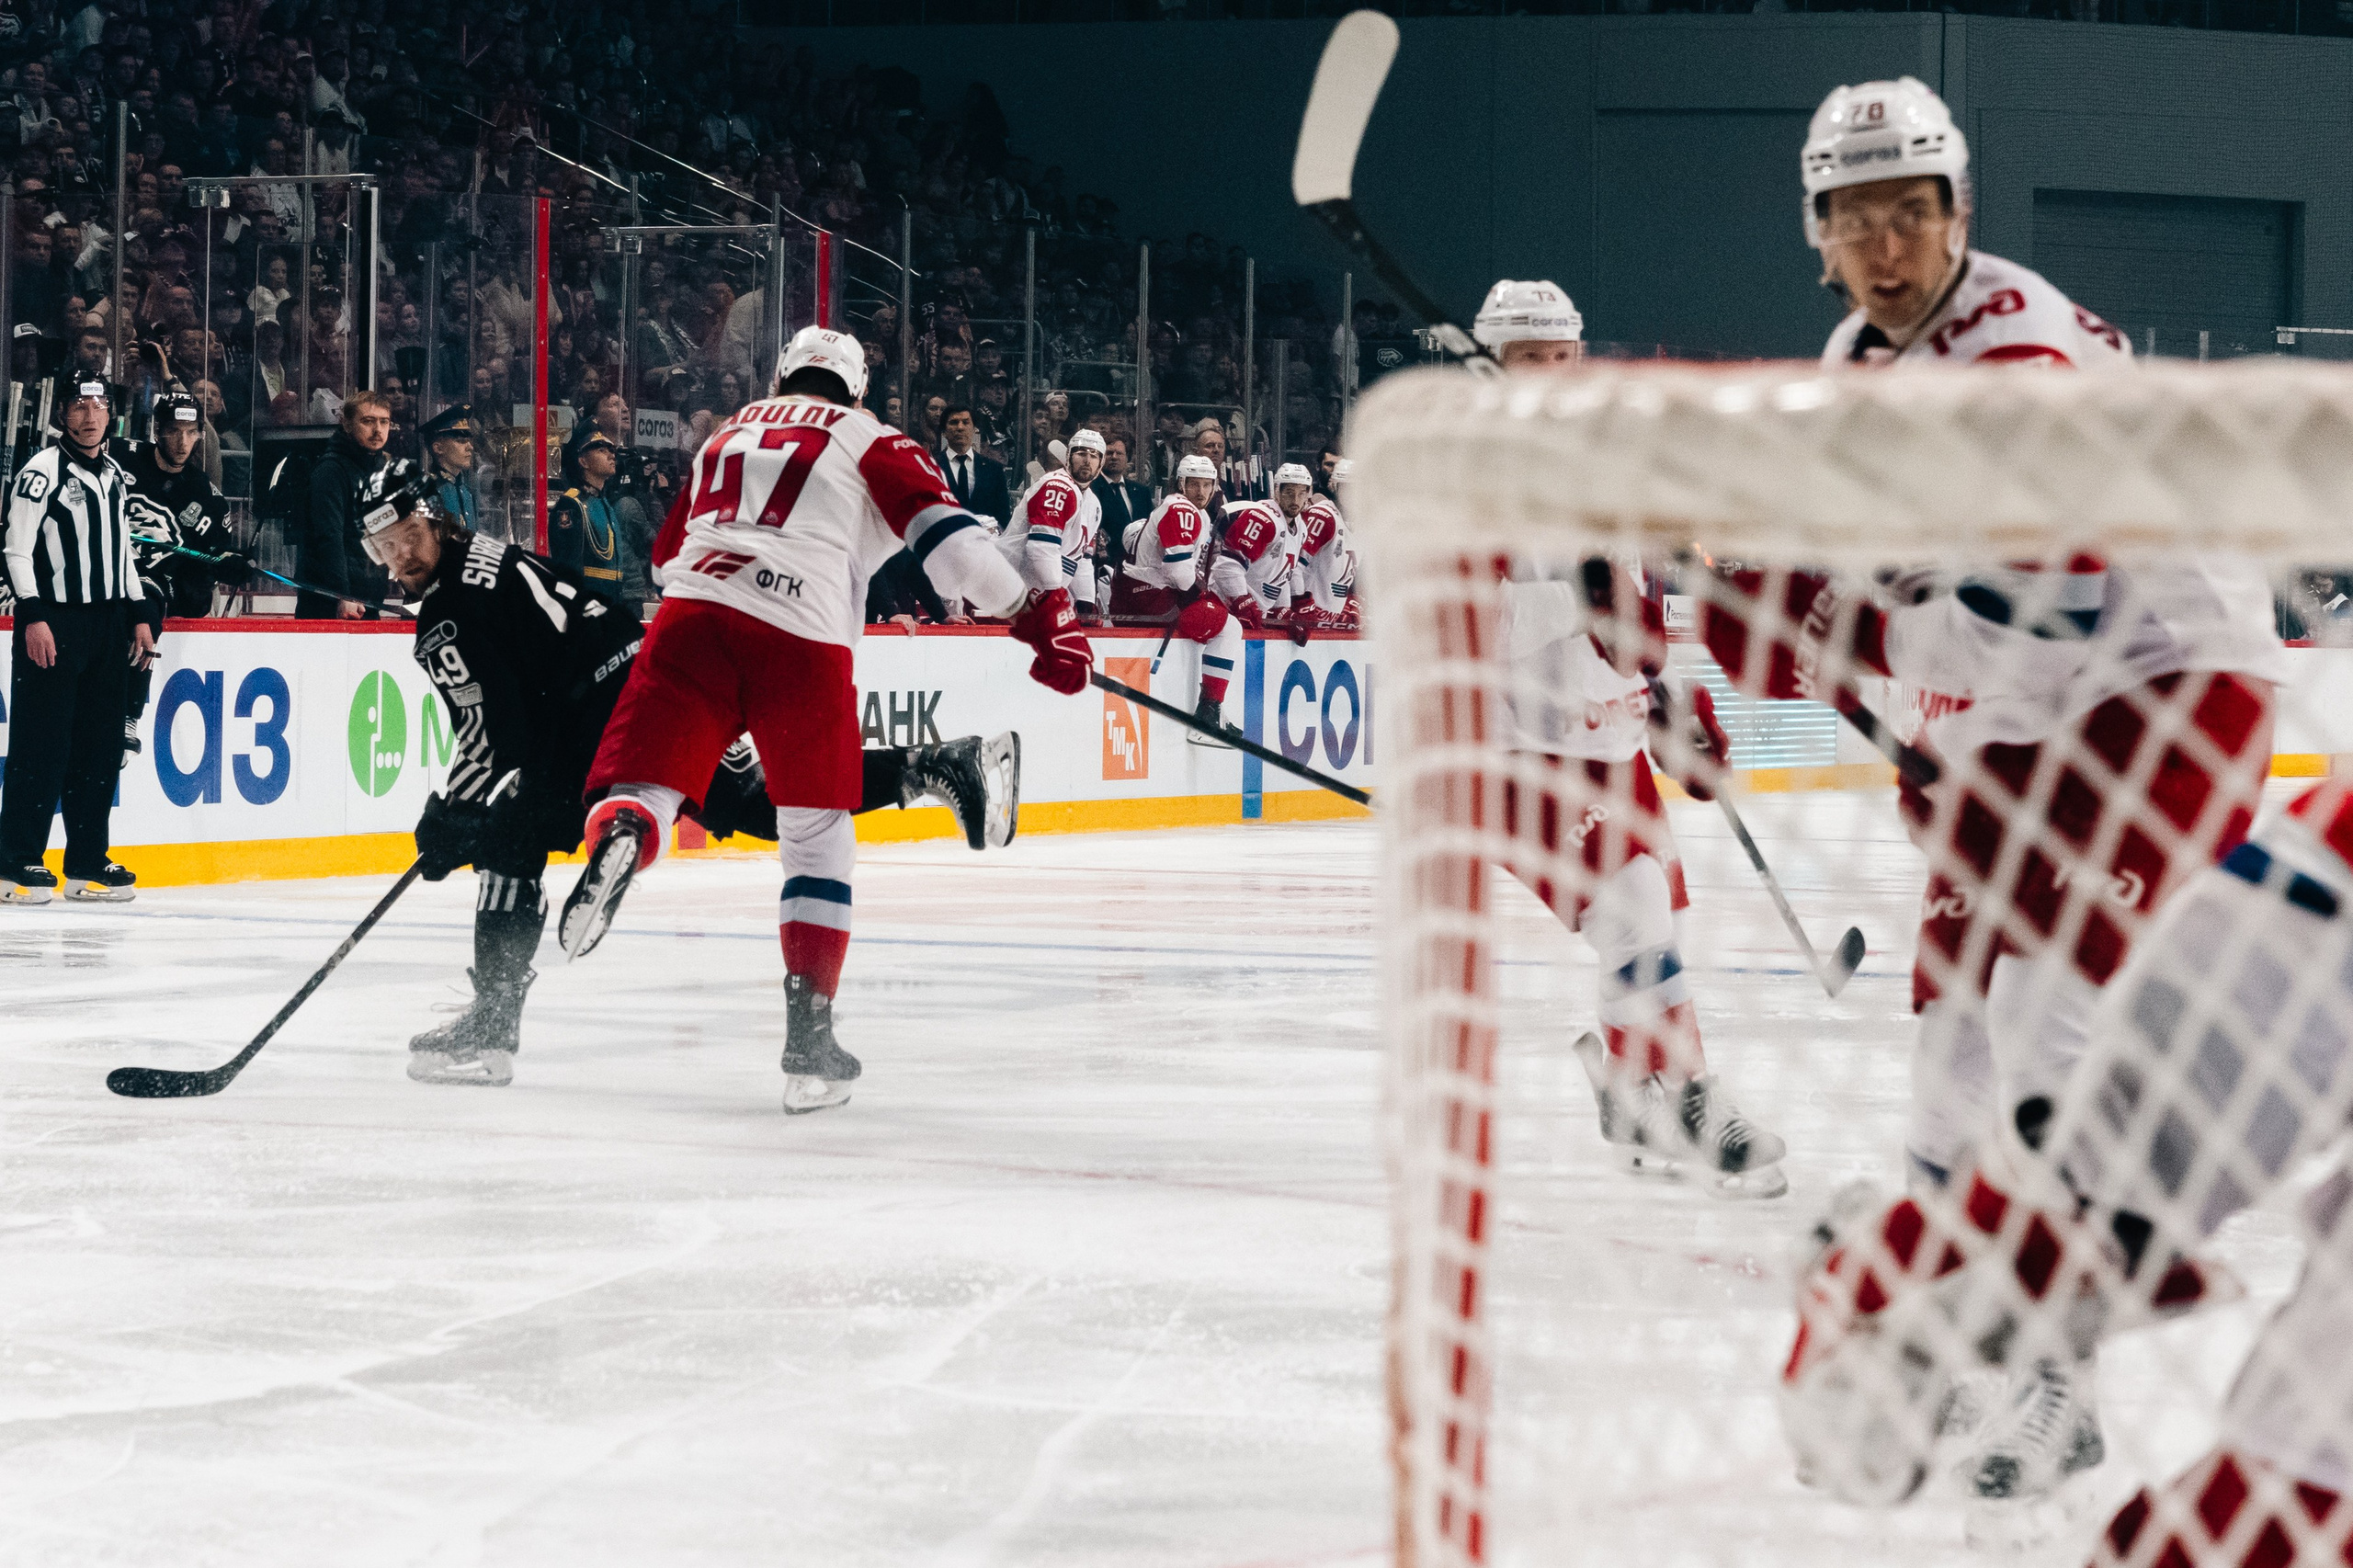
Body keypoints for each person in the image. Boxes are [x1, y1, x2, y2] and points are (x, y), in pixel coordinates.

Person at [1714, 76, 2284, 1510]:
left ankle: (2059, 1384)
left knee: (2046, 1021)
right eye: (1857, 217)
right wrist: (1733, 590)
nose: (1888, 243)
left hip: (2168, 684)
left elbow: (2063, 603)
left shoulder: (2016, 360)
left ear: (1958, 213)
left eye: (1913, 210)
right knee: (1951, 1043)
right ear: (1819, 235)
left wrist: (1829, 628)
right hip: (2029, 716)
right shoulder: (1859, 364)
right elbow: (1858, 581)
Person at [558, 325, 1093, 1114]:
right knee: (815, 831)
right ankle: (809, 1040)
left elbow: (666, 560)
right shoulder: (874, 439)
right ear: (857, 389)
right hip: (800, 633)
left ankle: (628, 833)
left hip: (692, 616)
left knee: (649, 781)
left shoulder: (729, 431)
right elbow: (955, 558)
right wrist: (1032, 615)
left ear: (783, 376)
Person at [361, 484, 1022, 1088]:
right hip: (649, 674)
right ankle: (936, 764)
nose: (399, 559)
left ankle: (495, 1021)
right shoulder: (484, 552)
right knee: (761, 801)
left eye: (407, 538)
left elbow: (489, 730)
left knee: (509, 830)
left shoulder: (447, 614)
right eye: (384, 550)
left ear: (433, 521)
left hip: (587, 719)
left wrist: (451, 815)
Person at [1470, 283, 1784, 1197]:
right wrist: (1578, 600)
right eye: (1532, 358)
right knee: (1637, 915)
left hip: (1609, 746)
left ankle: (1625, 1088)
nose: (1554, 375)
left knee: (1653, 926)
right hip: (1517, 751)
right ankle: (1685, 1095)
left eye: (1563, 355)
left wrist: (1669, 704)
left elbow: (1631, 613)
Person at [1, 376, 148, 904]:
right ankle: (15, 861)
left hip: (107, 627)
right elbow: (15, 550)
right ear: (63, 413)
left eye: (99, 405)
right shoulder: (40, 471)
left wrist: (138, 615)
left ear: (112, 414)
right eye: (79, 406)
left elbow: (123, 549)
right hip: (54, 623)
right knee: (41, 745)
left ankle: (87, 864)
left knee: (99, 748)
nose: (90, 415)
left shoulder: (113, 473)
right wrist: (33, 616)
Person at [123, 390, 244, 761]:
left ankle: (128, 714)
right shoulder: (119, 456)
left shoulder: (206, 496)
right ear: (156, 430)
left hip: (161, 585)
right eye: (174, 431)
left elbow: (210, 562)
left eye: (191, 432)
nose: (182, 442)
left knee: (149, 591)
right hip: (107, 566)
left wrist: (229, 563)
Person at [1112, 453, 1241, 738]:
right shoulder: (1182, 509)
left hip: (1139, 594)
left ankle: (1213, 709)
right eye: (1194, 484)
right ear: (1180, 483)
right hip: (1150, 598)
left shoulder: (1182, 509)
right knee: (1230, 627)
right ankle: (1209, 711)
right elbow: (1179, 573)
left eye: (1207, 485)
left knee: (1212, 619)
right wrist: (1201, 596)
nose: (1201, 492)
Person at [296, 389, 394, 618]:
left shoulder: (383, 470)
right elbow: (329, 537)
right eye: (368, 421)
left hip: (369, 599)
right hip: (328, 602)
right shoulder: (331, 470)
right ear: (347, 425)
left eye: (384, 422)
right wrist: (343, 595)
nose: (378, 430)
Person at [1003, 426, 1105, 625]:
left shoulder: (1094, 504)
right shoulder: (1057, 486)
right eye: (1081, 453)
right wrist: (1053, 591)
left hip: (1041, 596)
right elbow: (1042, 545)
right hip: (1013, 589)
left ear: (1101, 464)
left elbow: (1083, 557)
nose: (1087, 460)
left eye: (1094, 456)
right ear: (1068, 458)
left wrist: (1085, 600)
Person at [547, 432, 653, 606]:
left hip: (611, 603)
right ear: (584, 462)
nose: (611, 455)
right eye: (602, 451)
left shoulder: (604, 503)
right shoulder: (572, 505)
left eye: (611, 451)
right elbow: (568, 566)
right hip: (589, 605)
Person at [934, 403, 1008, 527]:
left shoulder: (994, 470)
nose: (960, 427)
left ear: (974, 429)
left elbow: (1003, 517)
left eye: (966, 422)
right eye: (954, 422)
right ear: (944, 431)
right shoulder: (931, 468)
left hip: (983, 542)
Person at [1093, 434, 1151, 578]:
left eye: (1119, 453)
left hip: (1138, 567)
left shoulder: (1141, 491)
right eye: (1109, 453)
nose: (1114, 457)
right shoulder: (1091, 489)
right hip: (1104, 568)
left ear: (1127, 458)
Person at [418, 403, 480, 534]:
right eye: (460, 440)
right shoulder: (428, 491)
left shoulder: (467, 490)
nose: (470, 447)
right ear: (438, 448)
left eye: (468, 440)